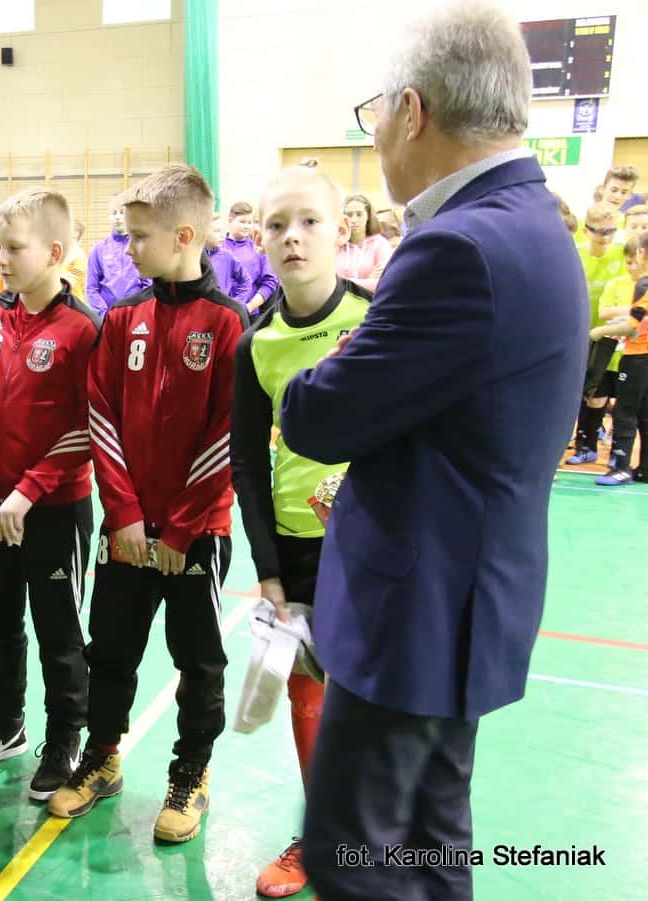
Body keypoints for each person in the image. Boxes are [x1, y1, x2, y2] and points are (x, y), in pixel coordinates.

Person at [285, 6, 587, 896]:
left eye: (376, 111)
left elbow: (316, 417)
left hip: (416, 617)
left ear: (412, 111)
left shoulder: (457, 246)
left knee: (356, 854)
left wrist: (332, 367)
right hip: (462, 599)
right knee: (428, 841)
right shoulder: (532, 221)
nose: (375, 133)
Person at [49, 163, 248, 845]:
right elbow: (100, 414)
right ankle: (101, 757)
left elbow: (227, 434)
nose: (126, 248)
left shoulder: (228, 323)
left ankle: (190, 772)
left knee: (199, 662)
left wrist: (181, 529)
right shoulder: (123, 318)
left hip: (197, 534)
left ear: (183, 236)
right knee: (110, 651)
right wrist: (127, 515)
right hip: (127, 531)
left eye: (138, 237)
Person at [230, 167, 372, 898]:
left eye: (310, 221)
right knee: (306, 694)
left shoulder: (378, 318)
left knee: (376, 697)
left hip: (377, 546)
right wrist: (269, 568)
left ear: (341, 231)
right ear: (260, 239)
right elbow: (246, 463)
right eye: (278, 224)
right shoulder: (255, 342)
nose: (293, 236)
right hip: (297, 549)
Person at [0, 189, 98, 801]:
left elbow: (88, 426)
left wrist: (29, 491)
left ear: (54, 253)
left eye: (13, 248)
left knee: (60, 635)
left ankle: (64, 739)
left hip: (54, 512)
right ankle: (6, 723)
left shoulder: (83, 329)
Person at [566, 202, 629, 465]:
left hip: (612, 336)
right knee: (578, 392)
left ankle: (597, 448)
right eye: (598, 231)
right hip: (579, 335)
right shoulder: (573, 254)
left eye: (610, 231)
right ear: (586, 230)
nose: (604, 237)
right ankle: (580, 442)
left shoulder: (623, 254)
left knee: (602, 393)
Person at [589, 235, 648, 485]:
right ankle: (644, 468)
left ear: (642, 253)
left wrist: (598, 332)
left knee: (625, 411)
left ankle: (621, 467)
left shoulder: (644, 284)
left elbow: (633, 327)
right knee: (644, 413)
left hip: (637, 357)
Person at [85, 198, 150, 316]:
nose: (118, 217)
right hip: (108, 316)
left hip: (136, 315)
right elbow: (91, 288)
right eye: (114, 213)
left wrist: (139, 312)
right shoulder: (99, 248)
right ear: (109, 217)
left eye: (122, 212)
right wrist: (104, 315)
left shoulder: (140, 247)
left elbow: (148, 285)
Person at [224, 200, 279, 312]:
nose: (247, 226)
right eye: (242, 222)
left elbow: (270, 282)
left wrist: (250, 307)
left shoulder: (258, 249)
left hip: (249, 314)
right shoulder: (218, 246)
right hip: (221, 312)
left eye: (250, 222)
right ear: (230, 220)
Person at [335, 193, 394, 292]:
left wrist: (343, 282)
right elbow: (329, 282)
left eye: (359, 214)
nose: (354, 220)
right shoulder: (337, 244)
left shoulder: (381, 245)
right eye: (349, 215)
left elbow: (383, 283)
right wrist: (368, 281)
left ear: (368, 216)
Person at [206, 213, 251, 300]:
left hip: (221, 306)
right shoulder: (196, 257)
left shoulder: (227, 256)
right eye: (217, 231)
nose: (222, 235)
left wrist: (236, 303)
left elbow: (246, 281)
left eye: (223, 231)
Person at [61, 218, 88, 300]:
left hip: (74, 301)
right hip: (63, 299)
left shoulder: (79, 255)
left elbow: (70, 282)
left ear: (75, 233)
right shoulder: (62, 253)